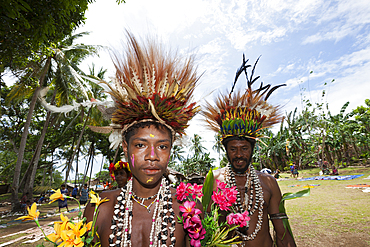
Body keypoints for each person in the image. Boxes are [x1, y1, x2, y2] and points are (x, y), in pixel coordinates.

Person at [83, 31, 201, 246]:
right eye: (140, 145)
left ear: (171, 150)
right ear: (125, 148)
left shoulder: (189, 207)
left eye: (162, 146)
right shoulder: (99, 206)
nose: (152, 156)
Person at [201, 56, 296, 246]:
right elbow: (203, 229)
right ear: (225, 150)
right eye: (233, 149)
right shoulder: (213, 179)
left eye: (244, 148)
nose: (238, 155)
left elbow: (281, 231)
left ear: (253, 149)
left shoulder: (268, 182)